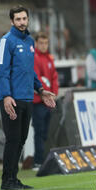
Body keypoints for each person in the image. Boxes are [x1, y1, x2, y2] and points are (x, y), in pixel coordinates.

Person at [0, 5, 56, 190]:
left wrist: (40, 89)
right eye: (18, 19)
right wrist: (6, 96)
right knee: (13, 139)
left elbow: (29, 71)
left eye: (24, 18)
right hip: (12, 99)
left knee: (21, 140)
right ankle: (7, 180)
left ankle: (13, 178)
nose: (22, 22)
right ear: (12, 21)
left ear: (28, 19)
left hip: (27, 98)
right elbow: (2, 71)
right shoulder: (6, 41)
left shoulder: (30, 41)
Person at [32, 32, 59, 170]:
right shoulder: (34, 58)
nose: (43, 45)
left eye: (45, 43)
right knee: (39, 131)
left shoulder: (49, 58)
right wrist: (45, 94)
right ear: (36, 43)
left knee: (46, 132)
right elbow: (36, 77)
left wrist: (54, 94)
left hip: (49, 101)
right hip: (38, 102)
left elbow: (54, 77)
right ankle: (37, 161)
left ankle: (43, 159)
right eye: (41, 43)